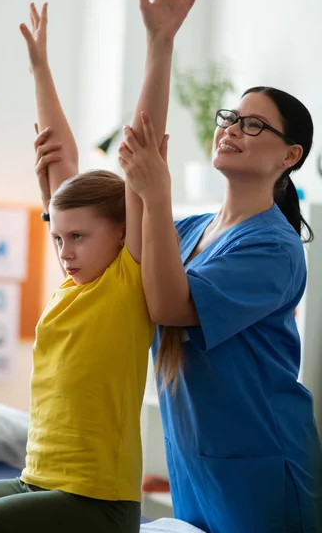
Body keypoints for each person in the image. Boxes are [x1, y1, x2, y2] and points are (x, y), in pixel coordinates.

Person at [0, 0, 200, 533]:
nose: (65, 250)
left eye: (77, 237)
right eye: (57, 237)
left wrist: (159, 44)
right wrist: (40, 70)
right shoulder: (70, 284)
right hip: (38, 479)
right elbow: (60, 165)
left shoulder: (127, 278)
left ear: (123, 230)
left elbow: (144, 134)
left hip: (94, 503)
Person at [119, 74, 322, 529]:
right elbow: (134, 253)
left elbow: (170, 308)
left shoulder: (274, 247)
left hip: (262, 462)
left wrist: (157, 191)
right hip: (197, 459)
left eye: (253, 125)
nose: (231, 128)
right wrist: (159, 44)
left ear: (290, 156)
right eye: (230, 118)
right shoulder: (190, 230)